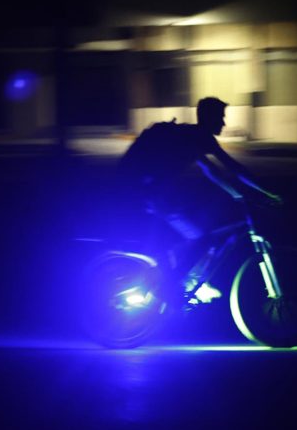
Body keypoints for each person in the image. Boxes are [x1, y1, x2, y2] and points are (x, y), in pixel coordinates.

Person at [117, 96, 282, 302]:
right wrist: (267, 193)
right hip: (155, 195)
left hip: (151, 192)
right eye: (220, 117)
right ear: (209, 118)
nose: (224, 123)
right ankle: (171, 287)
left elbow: (211, 171)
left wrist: (238, 195)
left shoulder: (191, 136)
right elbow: (234, 169)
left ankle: (190, 280)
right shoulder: (201, 137)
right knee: (202, 237)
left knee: (200, 221)